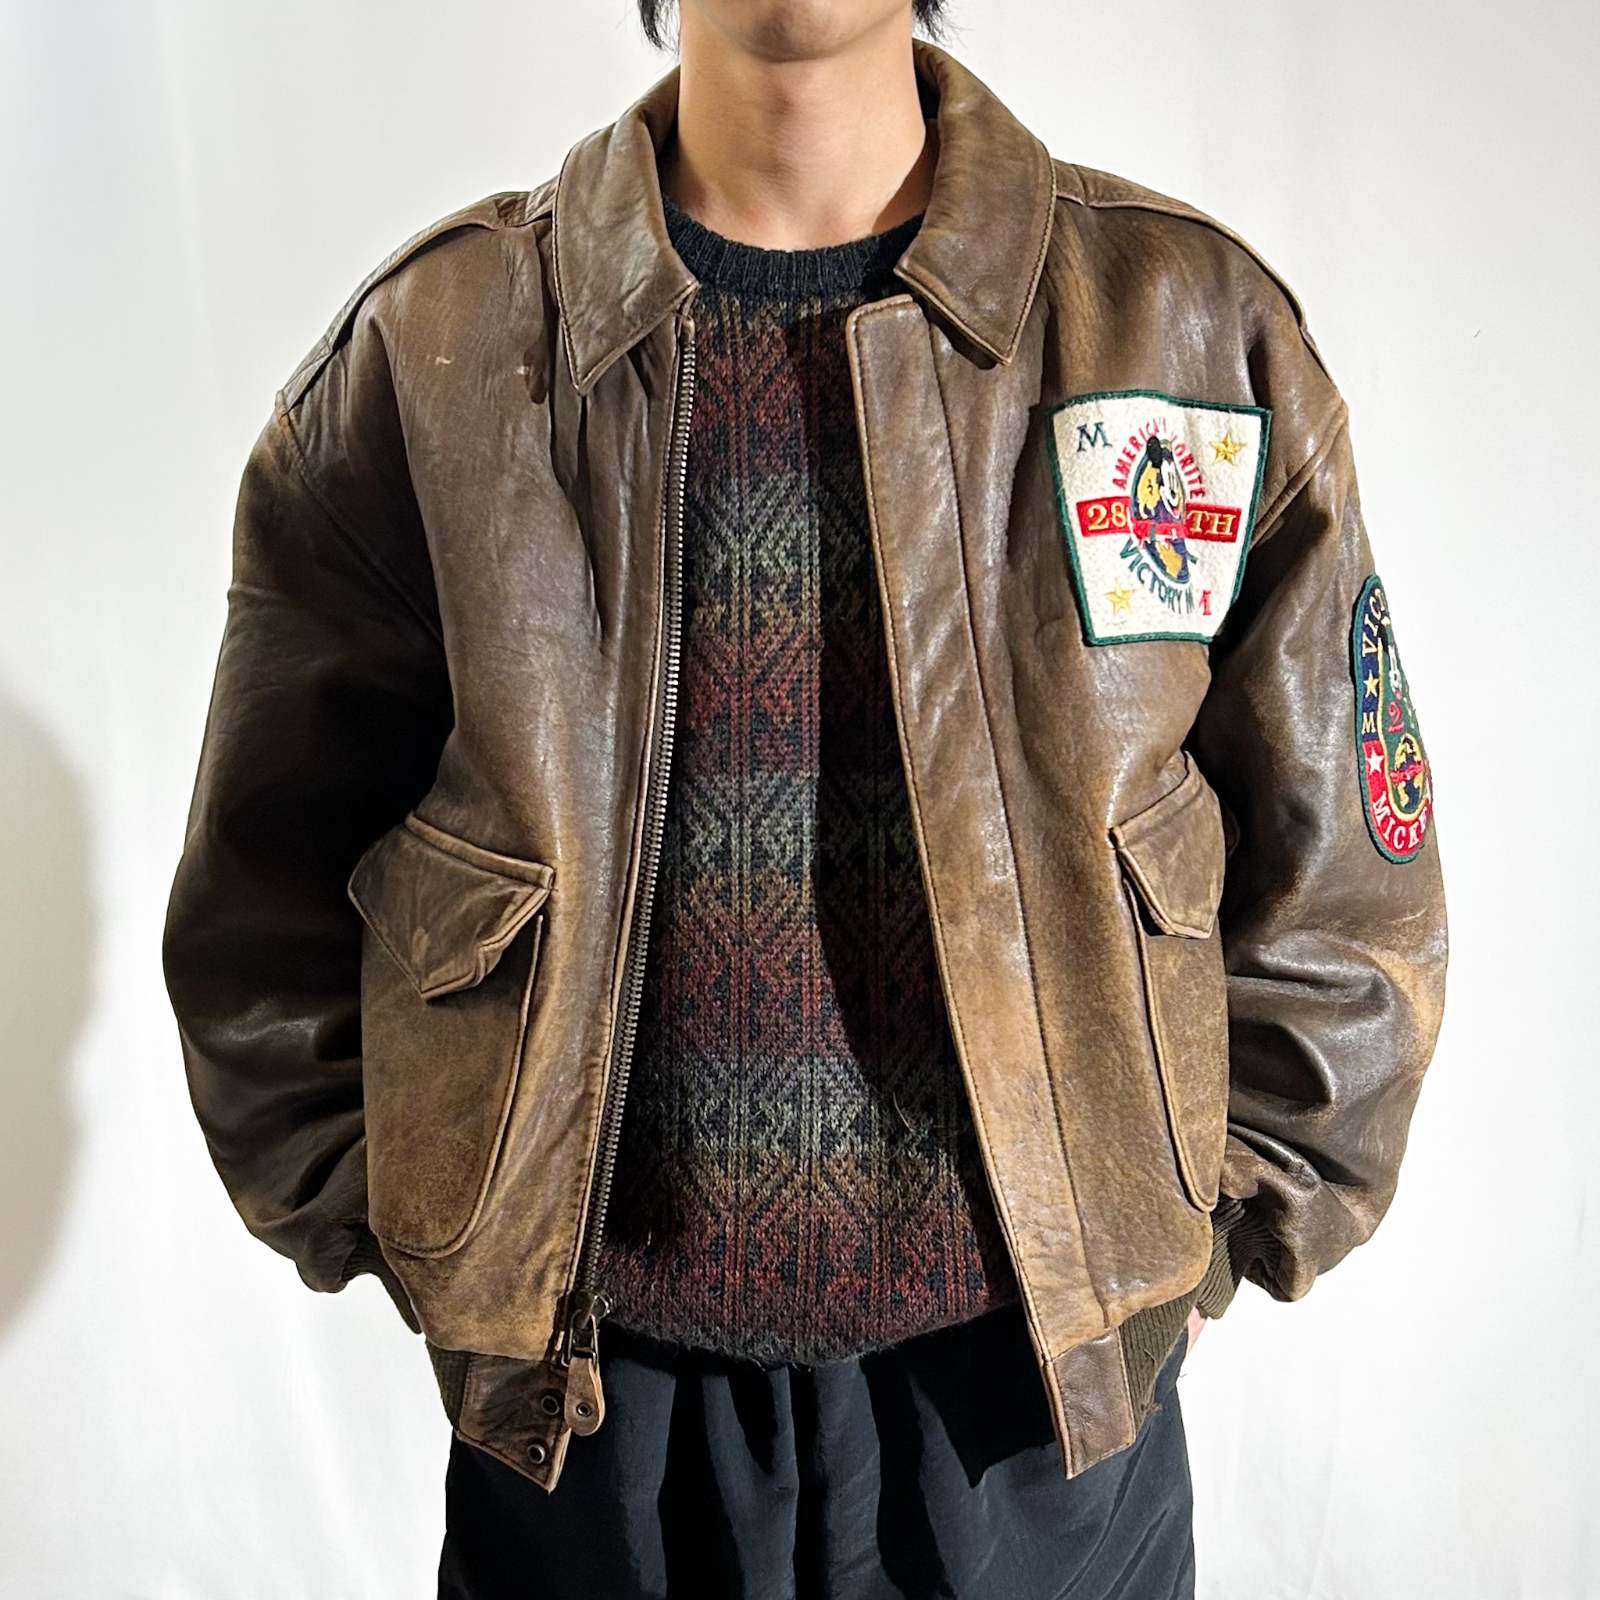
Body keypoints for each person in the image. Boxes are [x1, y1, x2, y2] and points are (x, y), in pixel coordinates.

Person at [160, 2, 1449, 1596]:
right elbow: (263, 902)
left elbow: (1350, 888)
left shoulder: (1180, 326)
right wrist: (433, 1238)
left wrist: (1213, 1237)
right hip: (595, 1435)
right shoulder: (441, 353)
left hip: (1039, 1429)